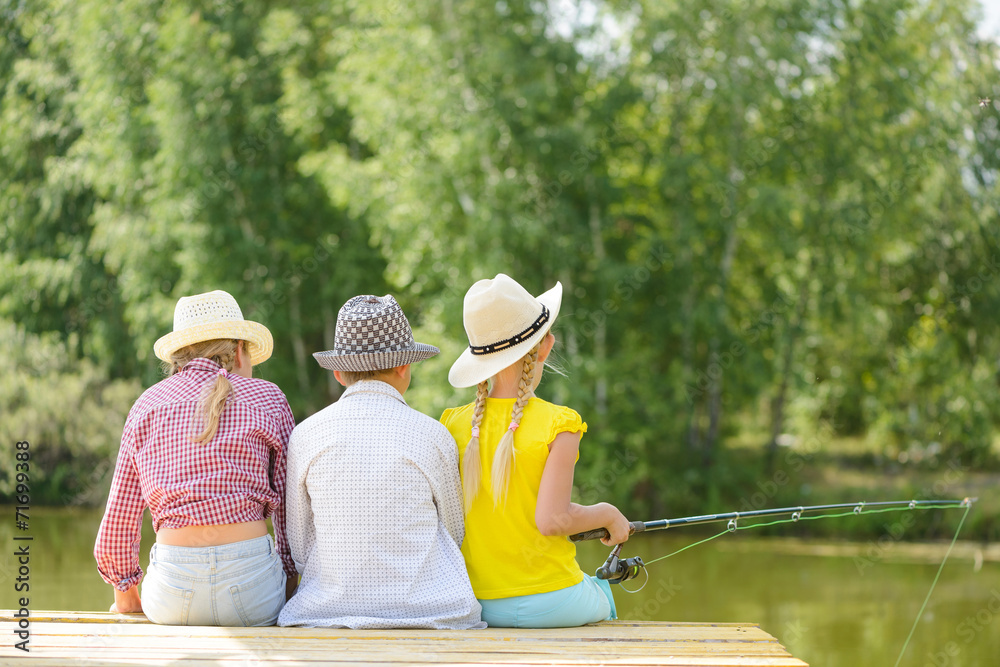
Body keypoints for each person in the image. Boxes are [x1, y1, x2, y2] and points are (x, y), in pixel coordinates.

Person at [278, 294, 484, 629]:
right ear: (405, 366)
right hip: (431, 614)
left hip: (326, 615)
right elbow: (454, 532)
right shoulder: (433, 435)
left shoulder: (305, 435)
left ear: (339, 374)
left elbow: (300, 550)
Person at [94, 289, 298, 626]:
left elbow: (119, 519)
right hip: (253, 590)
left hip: (172, 594)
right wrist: (288, 582)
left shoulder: (147, 404)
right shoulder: (269, 398)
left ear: (175, 360)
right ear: (239, 350)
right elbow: (291, 511)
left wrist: (126, 595)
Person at [440, 274, 630, 628]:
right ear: (546, 346)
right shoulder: (560, 424)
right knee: (602, 592)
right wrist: (608, 514)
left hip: (475, 602)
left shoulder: (452, 424)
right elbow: (552, 521)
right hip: (552, 602)